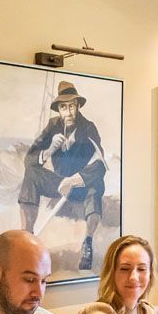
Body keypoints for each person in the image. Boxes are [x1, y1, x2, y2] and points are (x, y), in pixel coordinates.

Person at [18, 80, 107, 271]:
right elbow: (29, 160)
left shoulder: (88, 128)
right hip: (59, 184)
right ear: (58, 109)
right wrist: (49, 150)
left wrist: (74, 180)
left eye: (72, 106)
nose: (68, 112)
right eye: (63, 107)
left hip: (81, 186)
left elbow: (100, 164)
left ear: (78, 106)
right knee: (31, 173)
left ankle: (87, 243)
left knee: (97, 183)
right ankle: (27, 239)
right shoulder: (52, 126)